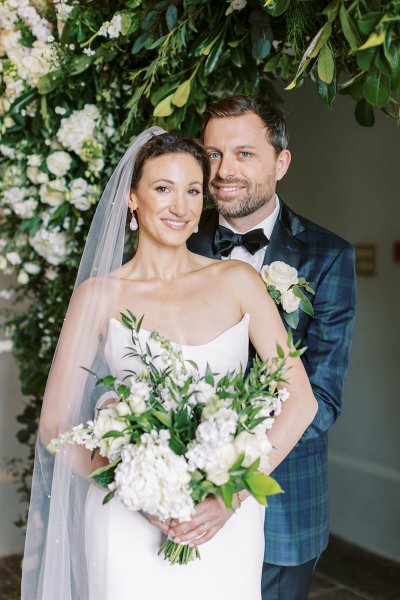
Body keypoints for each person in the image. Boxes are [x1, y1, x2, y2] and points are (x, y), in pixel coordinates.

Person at [21, 128, 317, 600]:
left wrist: (230, 496)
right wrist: (136, 487)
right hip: (127, 518)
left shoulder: (238, 281)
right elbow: (54, 424)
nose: (180, 206)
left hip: (221, 520)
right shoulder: (98, 296)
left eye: (193, 190)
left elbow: (300, 402)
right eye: (163, 189)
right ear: (133, 199)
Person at [187, 95, 356, 600]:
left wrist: (235, 476)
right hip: (186, 492)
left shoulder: (327, 256)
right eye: (213, 154)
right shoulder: (178, 247)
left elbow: (322, 402)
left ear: (280, 162)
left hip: (284, 506)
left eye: (244, 154)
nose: (223, 171)